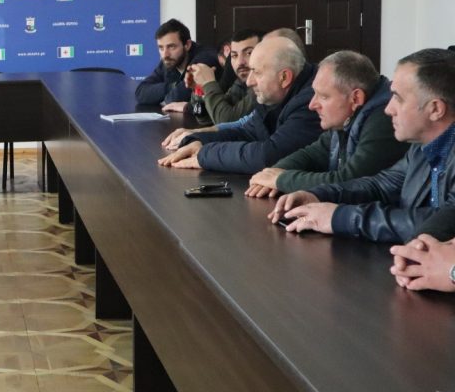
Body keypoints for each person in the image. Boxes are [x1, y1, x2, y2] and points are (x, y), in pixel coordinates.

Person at [271, 48, 455, 242]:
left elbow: (441, 223)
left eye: (398, 98)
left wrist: (339, 218)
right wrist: (317, 195)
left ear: (435, 109)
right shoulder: (421, 147)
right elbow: (380, 185)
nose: (388, 109)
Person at [246, 51, 407, 197]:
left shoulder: (384, 120)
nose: (312, 105)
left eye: (323, 96)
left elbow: (348, 181)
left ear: (356, 98)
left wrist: (281, 179)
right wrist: (273, 173)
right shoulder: (346, 117)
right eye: (314, 93)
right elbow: (313, 154)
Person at [158, 36, 321, 173]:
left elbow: (270, 156)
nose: (249, 81)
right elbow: (248, 132)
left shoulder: (311, 101)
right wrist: (199, 140)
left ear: (284, 77)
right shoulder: (274, 93)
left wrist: (205, 154)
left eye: (257, 72)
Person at [179, 29, 261, 124]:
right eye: (234, 55)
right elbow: (207, 117)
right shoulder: (240, 82)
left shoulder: (263, 86)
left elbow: (226, 121)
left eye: (249, 53)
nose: (240, 62)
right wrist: (200, 89)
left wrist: (208, 83)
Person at [134, 18, 219, 106]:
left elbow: (174, 99)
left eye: (171, 47)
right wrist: (172, 86)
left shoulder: (204, 58)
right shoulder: (169, 61)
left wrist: (166, 93)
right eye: (161, 48)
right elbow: (140, 93)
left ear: (187, 45)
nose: (165, 54)